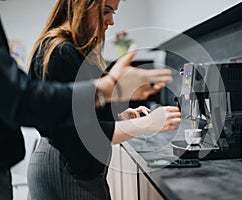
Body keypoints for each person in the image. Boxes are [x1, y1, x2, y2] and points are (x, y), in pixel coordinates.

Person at [0, 1, 175, 199]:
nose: (111, 21)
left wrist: (119, 117)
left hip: (66, 164)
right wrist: (147, 124)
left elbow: (82, 117)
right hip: (65, 167)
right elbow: (82, 134)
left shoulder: (72, 50)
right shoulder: (60, 52)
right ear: (81, 5)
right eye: (106, 11)